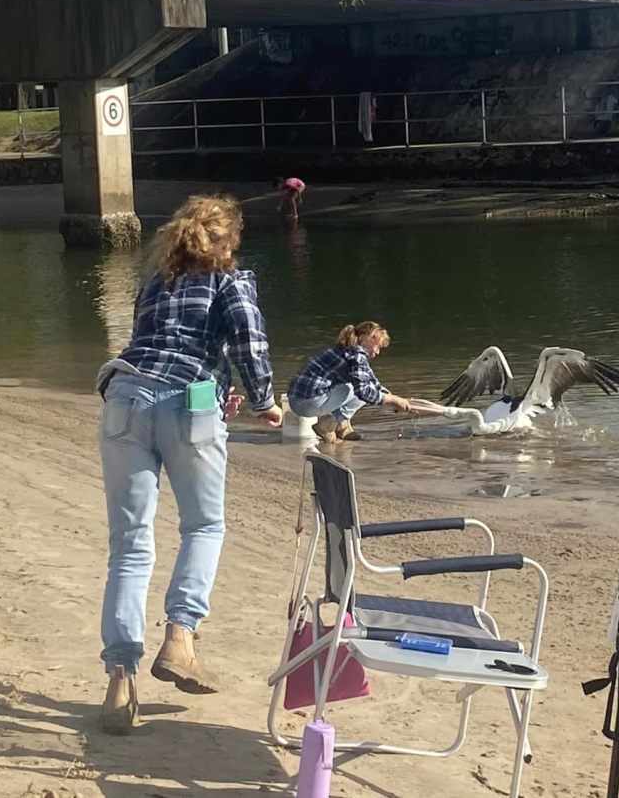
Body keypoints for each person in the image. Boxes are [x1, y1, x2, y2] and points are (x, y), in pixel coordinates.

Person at [93, 194, 283, 735]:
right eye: (233, 243)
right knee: (204, 524)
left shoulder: (154, 284)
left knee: (129, 544)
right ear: (223, 243)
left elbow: (155, 345)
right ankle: (181, 634)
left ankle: (119, 682)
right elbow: (248, 340)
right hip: (187, 404)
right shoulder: (230, 280)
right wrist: (265, 399)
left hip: (125, 399)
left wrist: (218, 388)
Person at [287, 321, 417, 443]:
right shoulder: (356, 355)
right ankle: (328, 425)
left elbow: (374, 383)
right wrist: (393, 400)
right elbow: (364, 392)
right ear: (365, 339)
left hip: (297, 400)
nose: (377, 352)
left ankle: (342, 428)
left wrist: (399, 401)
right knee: (359, 390)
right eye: (377, 346)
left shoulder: (346, 349)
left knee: (361, 386)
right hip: (307, 403)